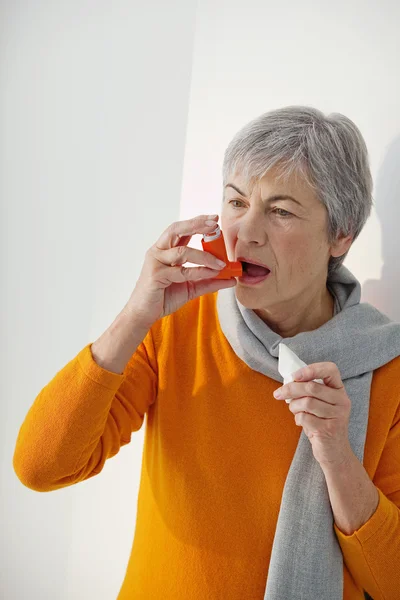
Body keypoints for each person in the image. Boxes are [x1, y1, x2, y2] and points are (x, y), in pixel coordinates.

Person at [13, 106, 400, 600]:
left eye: (280, 211)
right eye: (236, 203)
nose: (247, 232)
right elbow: (41, 467)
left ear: (341, 235)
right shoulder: (175, 325)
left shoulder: (385, 366)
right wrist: (135, 315)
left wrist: (336, 455)